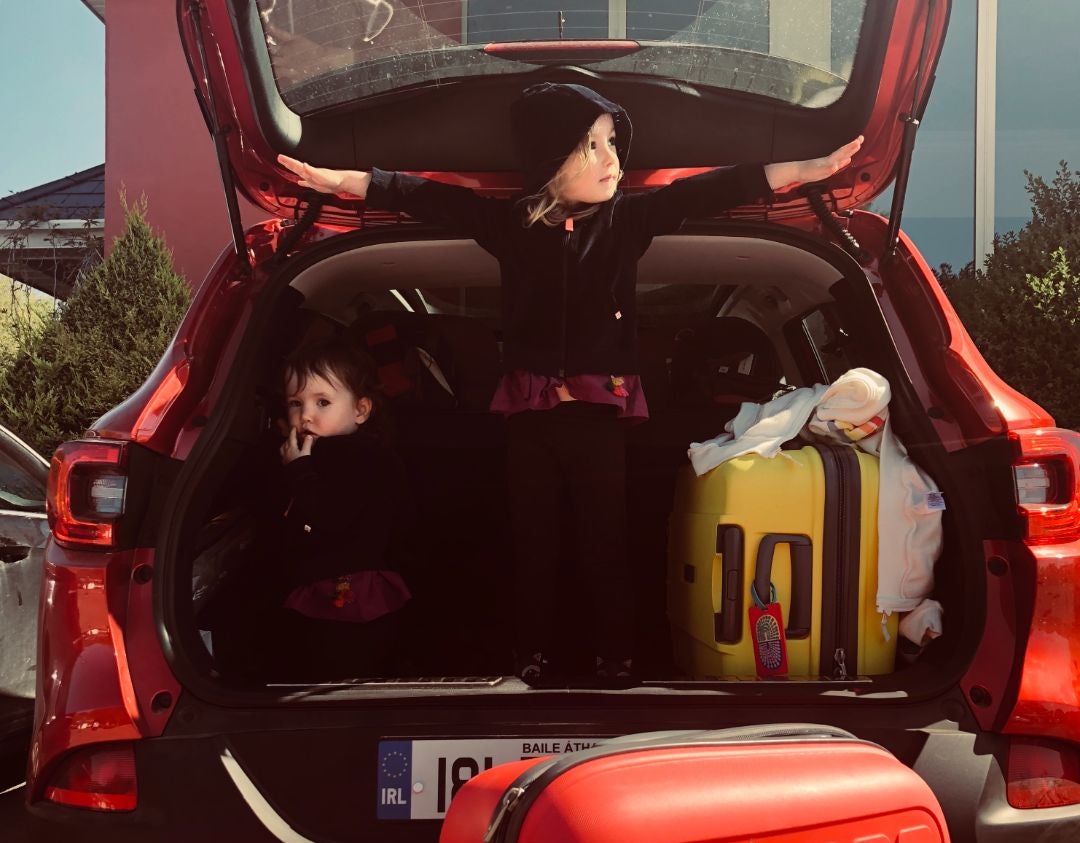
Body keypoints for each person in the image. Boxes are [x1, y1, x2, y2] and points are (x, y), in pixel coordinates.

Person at [278, 82, 862, 685]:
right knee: (533, 548)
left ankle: (618, 657)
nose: (613, 159)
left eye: (613, 143)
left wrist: (801, 169)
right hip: (529, 424)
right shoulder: (510, 227)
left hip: (596, 426)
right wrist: (340, 182)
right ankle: (528, 655)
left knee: (604, 547)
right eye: (593, 146)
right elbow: (425, 197)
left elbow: (710, 189)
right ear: (551, 157)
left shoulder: (626, 222)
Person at [272, 339, 414, 681]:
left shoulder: (360, 459)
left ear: (360, 411)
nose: (306, 415)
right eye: (295, 403)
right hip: (330, 589)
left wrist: (299, 471)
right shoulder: (323, 455)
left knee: (343, 671)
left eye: (322, 402)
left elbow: (331, 518)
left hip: (351, 594)